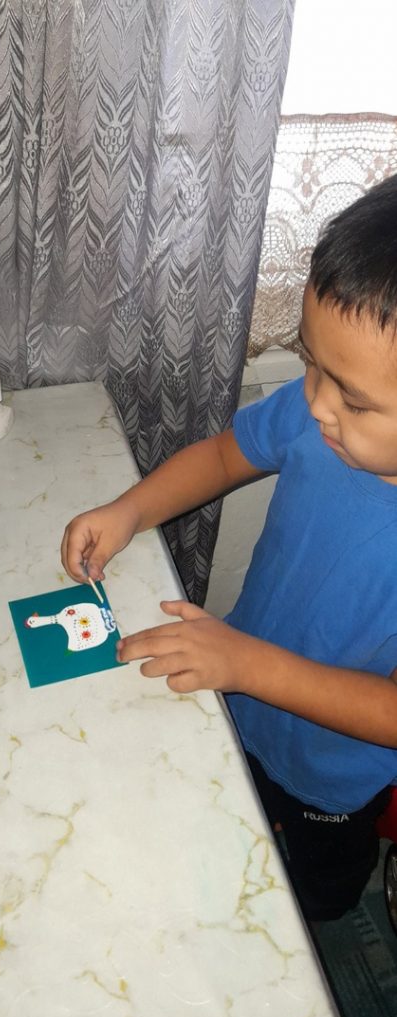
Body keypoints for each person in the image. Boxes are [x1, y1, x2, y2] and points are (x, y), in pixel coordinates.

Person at [61, 174, 397, 922]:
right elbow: (222, 456)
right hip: (240, 702)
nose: (315, 402)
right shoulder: (314, 418)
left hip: (331, 775)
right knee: (227, 820)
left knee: (315, 888)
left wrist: (247, 664)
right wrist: (129, 510)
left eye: (351, 397)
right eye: (310, 362)